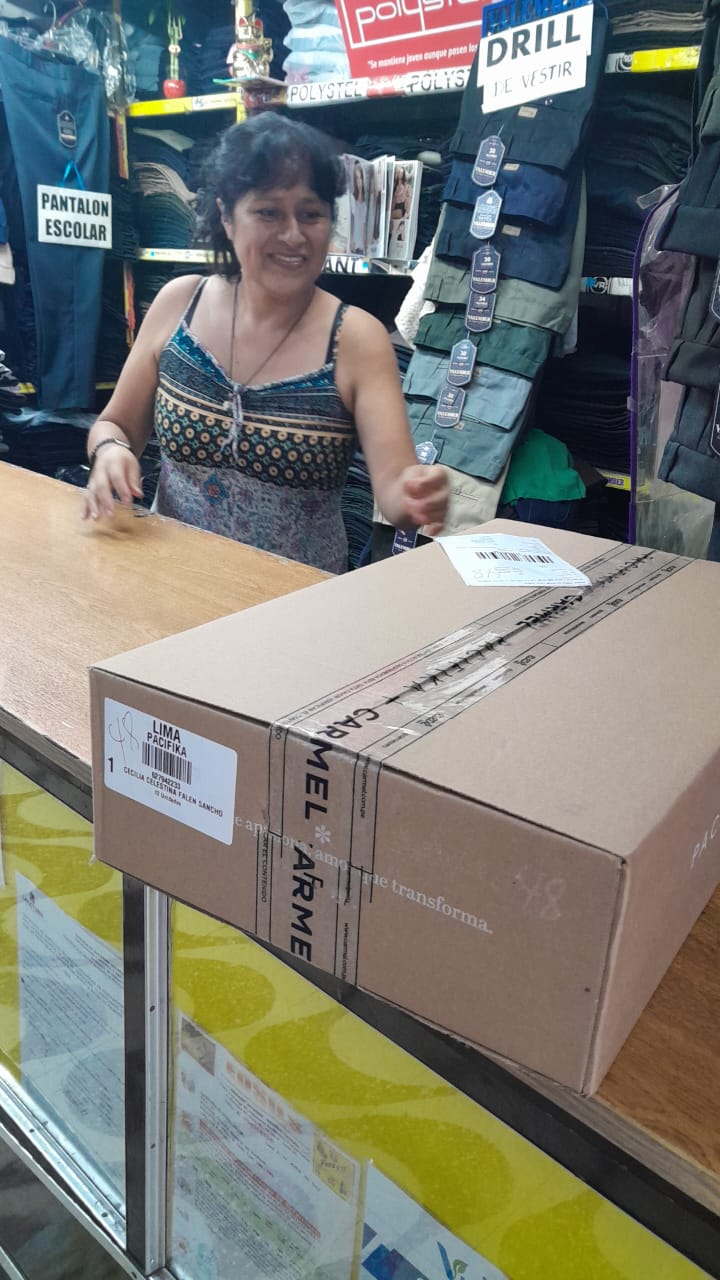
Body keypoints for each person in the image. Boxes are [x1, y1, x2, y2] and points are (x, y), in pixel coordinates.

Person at [82, 115, 447, 573]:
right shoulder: (179, 305)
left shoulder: (357, 340)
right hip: (171, 582)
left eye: (311, 214)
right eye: (268, 212)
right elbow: (114, 424)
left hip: (296, 601)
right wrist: (110, 451)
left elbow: (394, 489)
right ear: (226, 216)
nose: (293, 234)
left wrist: (415, 495)